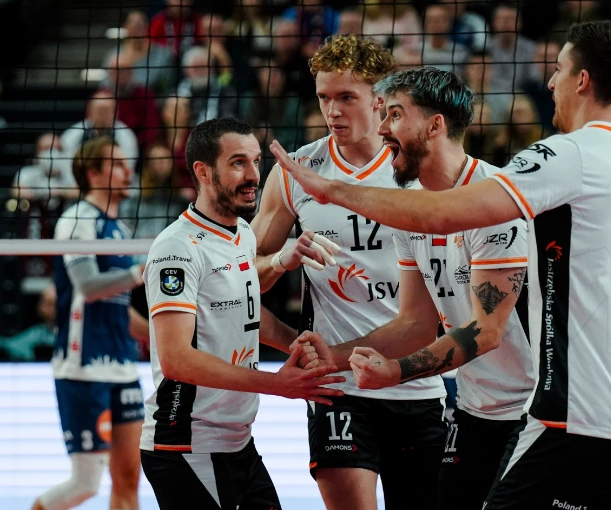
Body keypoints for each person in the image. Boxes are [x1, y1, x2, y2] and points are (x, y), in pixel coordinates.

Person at [273, 20, 611, 510]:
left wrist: (333, 190)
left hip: (563, 415)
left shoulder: (565, 157)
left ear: (582, 80)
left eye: (559, 69)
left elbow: (446, 219)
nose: (550, 82)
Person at [294, 67, 536, 510]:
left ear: (435, 125)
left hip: (531, 412)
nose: (382, 128)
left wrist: (395, 371)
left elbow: (486, 332)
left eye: (395, 115)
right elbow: (415, 324)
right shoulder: (413, 213)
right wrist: (335, 357)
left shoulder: (494, 201)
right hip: (475, 410)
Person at [251, 35, 448, 510]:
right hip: (337, 386)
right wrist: (280, 261)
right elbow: (238, 277)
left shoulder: (419, 169)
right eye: (324, 98)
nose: (332, 111)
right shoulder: (296, 170)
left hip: (414, 378)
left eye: (346, 97)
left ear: (380, 100)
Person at [138, 118, 345, 510]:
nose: (253, 175)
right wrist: (277, 384)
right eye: (238, 163)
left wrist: (300, 346)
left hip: (237, 442)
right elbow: (176, 359)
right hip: (187, 445)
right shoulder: (176, 249)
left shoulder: (242, 234)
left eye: (255, 161)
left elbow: (245, 312)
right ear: (203, 172)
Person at [33, 137, 150, 510]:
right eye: (117, 164)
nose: (128, 171)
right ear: (93, 173)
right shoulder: (77, 220)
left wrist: (163, 335)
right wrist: (139, 272)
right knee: (84, 485)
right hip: (82, 368)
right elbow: (89, 286)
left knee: (129, 479)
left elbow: (118, 309)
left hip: (122, 367)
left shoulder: (121, 230)